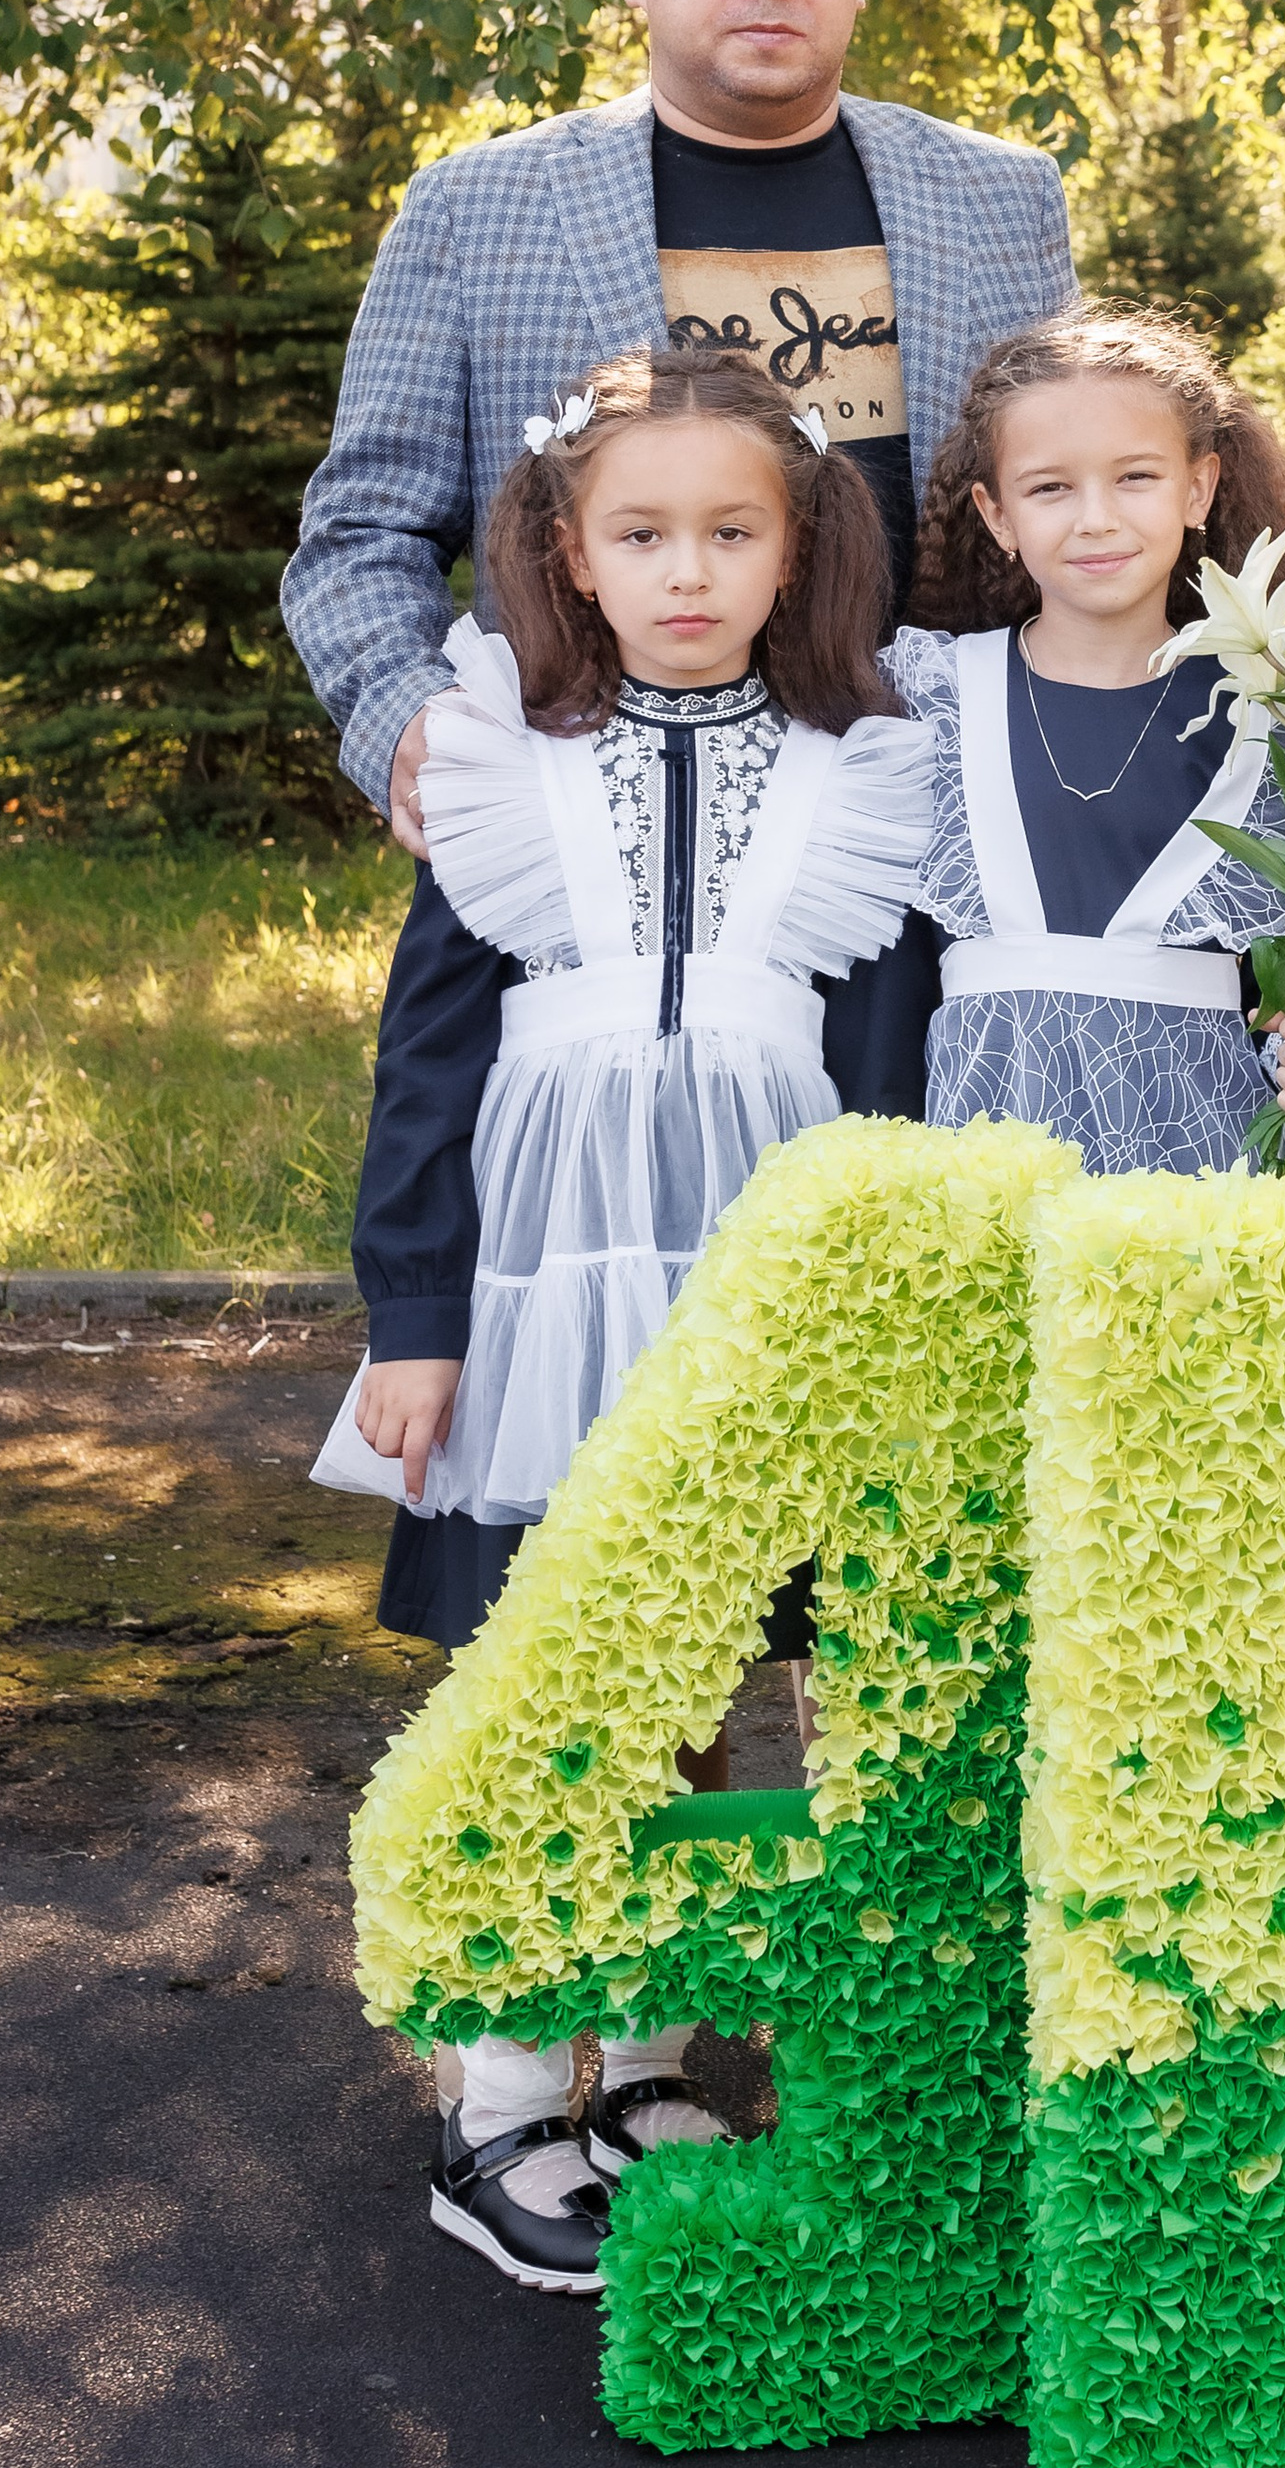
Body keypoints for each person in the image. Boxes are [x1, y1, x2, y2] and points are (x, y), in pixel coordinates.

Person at [280, 0, 1078, 1420]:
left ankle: (851, 1658)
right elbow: (356, 534)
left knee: (872, 1349)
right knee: (601, 1352)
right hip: (594, 857)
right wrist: (410, 725)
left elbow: (1049, 507)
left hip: (886, 856)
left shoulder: (1000, 201)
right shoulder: (481, 209)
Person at [313, 345, 932, 2294]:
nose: (686, 570)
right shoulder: (498, 754)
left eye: (727, 531)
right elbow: (426, 1062)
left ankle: (652, 2058)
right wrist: (412, 1318)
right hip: (536, 1297)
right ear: (569, 553)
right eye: (641, 532)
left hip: (758, 1294)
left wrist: (882, 1333)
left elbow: (886, 1072)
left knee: (728, 1683)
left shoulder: (857, 770)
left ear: (795, 540)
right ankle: (499, 2092)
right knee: (543, 1687)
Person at [885, 310, 1285, 1665]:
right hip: (992, 1210)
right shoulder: (923, 695)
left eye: (1134, 478)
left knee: (1244, 1574)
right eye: (1049, 487)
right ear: (994, 514)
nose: (1094, 518)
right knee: (1021, 1579)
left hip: (1208, 1197)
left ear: (1204, 484)